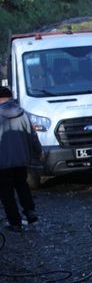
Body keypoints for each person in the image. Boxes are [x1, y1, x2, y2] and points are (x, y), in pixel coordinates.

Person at [0, 86, 42, 232]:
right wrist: (38, 151)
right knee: (22, 185)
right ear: (10, 97)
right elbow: (32, 136)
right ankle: (30, 211)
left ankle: (15, 222)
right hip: (21, 160)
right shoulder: (22, 113)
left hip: (2, 163)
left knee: (6, 193)